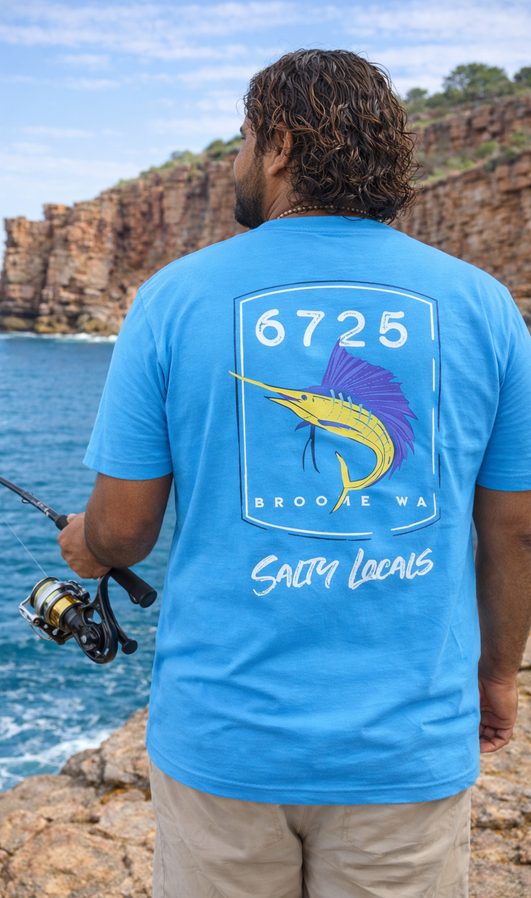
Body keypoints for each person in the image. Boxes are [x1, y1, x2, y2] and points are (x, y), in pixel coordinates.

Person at [58, 49, 531, 898]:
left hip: (226, 744)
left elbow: (124, 529)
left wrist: (86, 550)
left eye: (242, 139)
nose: (234, 162)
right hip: (408, 747)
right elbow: (517, 525)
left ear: (278, 145)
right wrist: (497, 675)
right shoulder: (484, 305)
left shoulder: (174, 297)